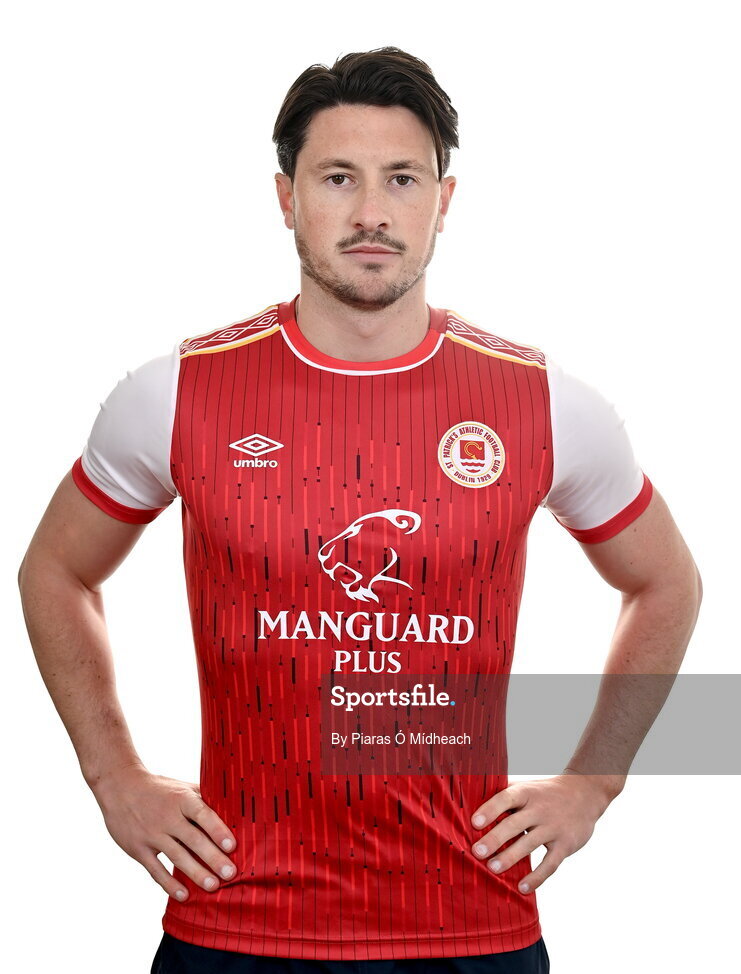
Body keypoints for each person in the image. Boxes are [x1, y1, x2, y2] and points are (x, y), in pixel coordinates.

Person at [18, 46, 701, 974]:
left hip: (472, 923)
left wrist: (594, 781)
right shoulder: (177, 394)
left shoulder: (542, 404)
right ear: (285, 195)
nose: (371, 212)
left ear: (443, 202)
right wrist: (112, 776)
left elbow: (665, 582)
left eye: (402, 179)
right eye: (337, 177)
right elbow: (54, 570)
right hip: (235, 924)